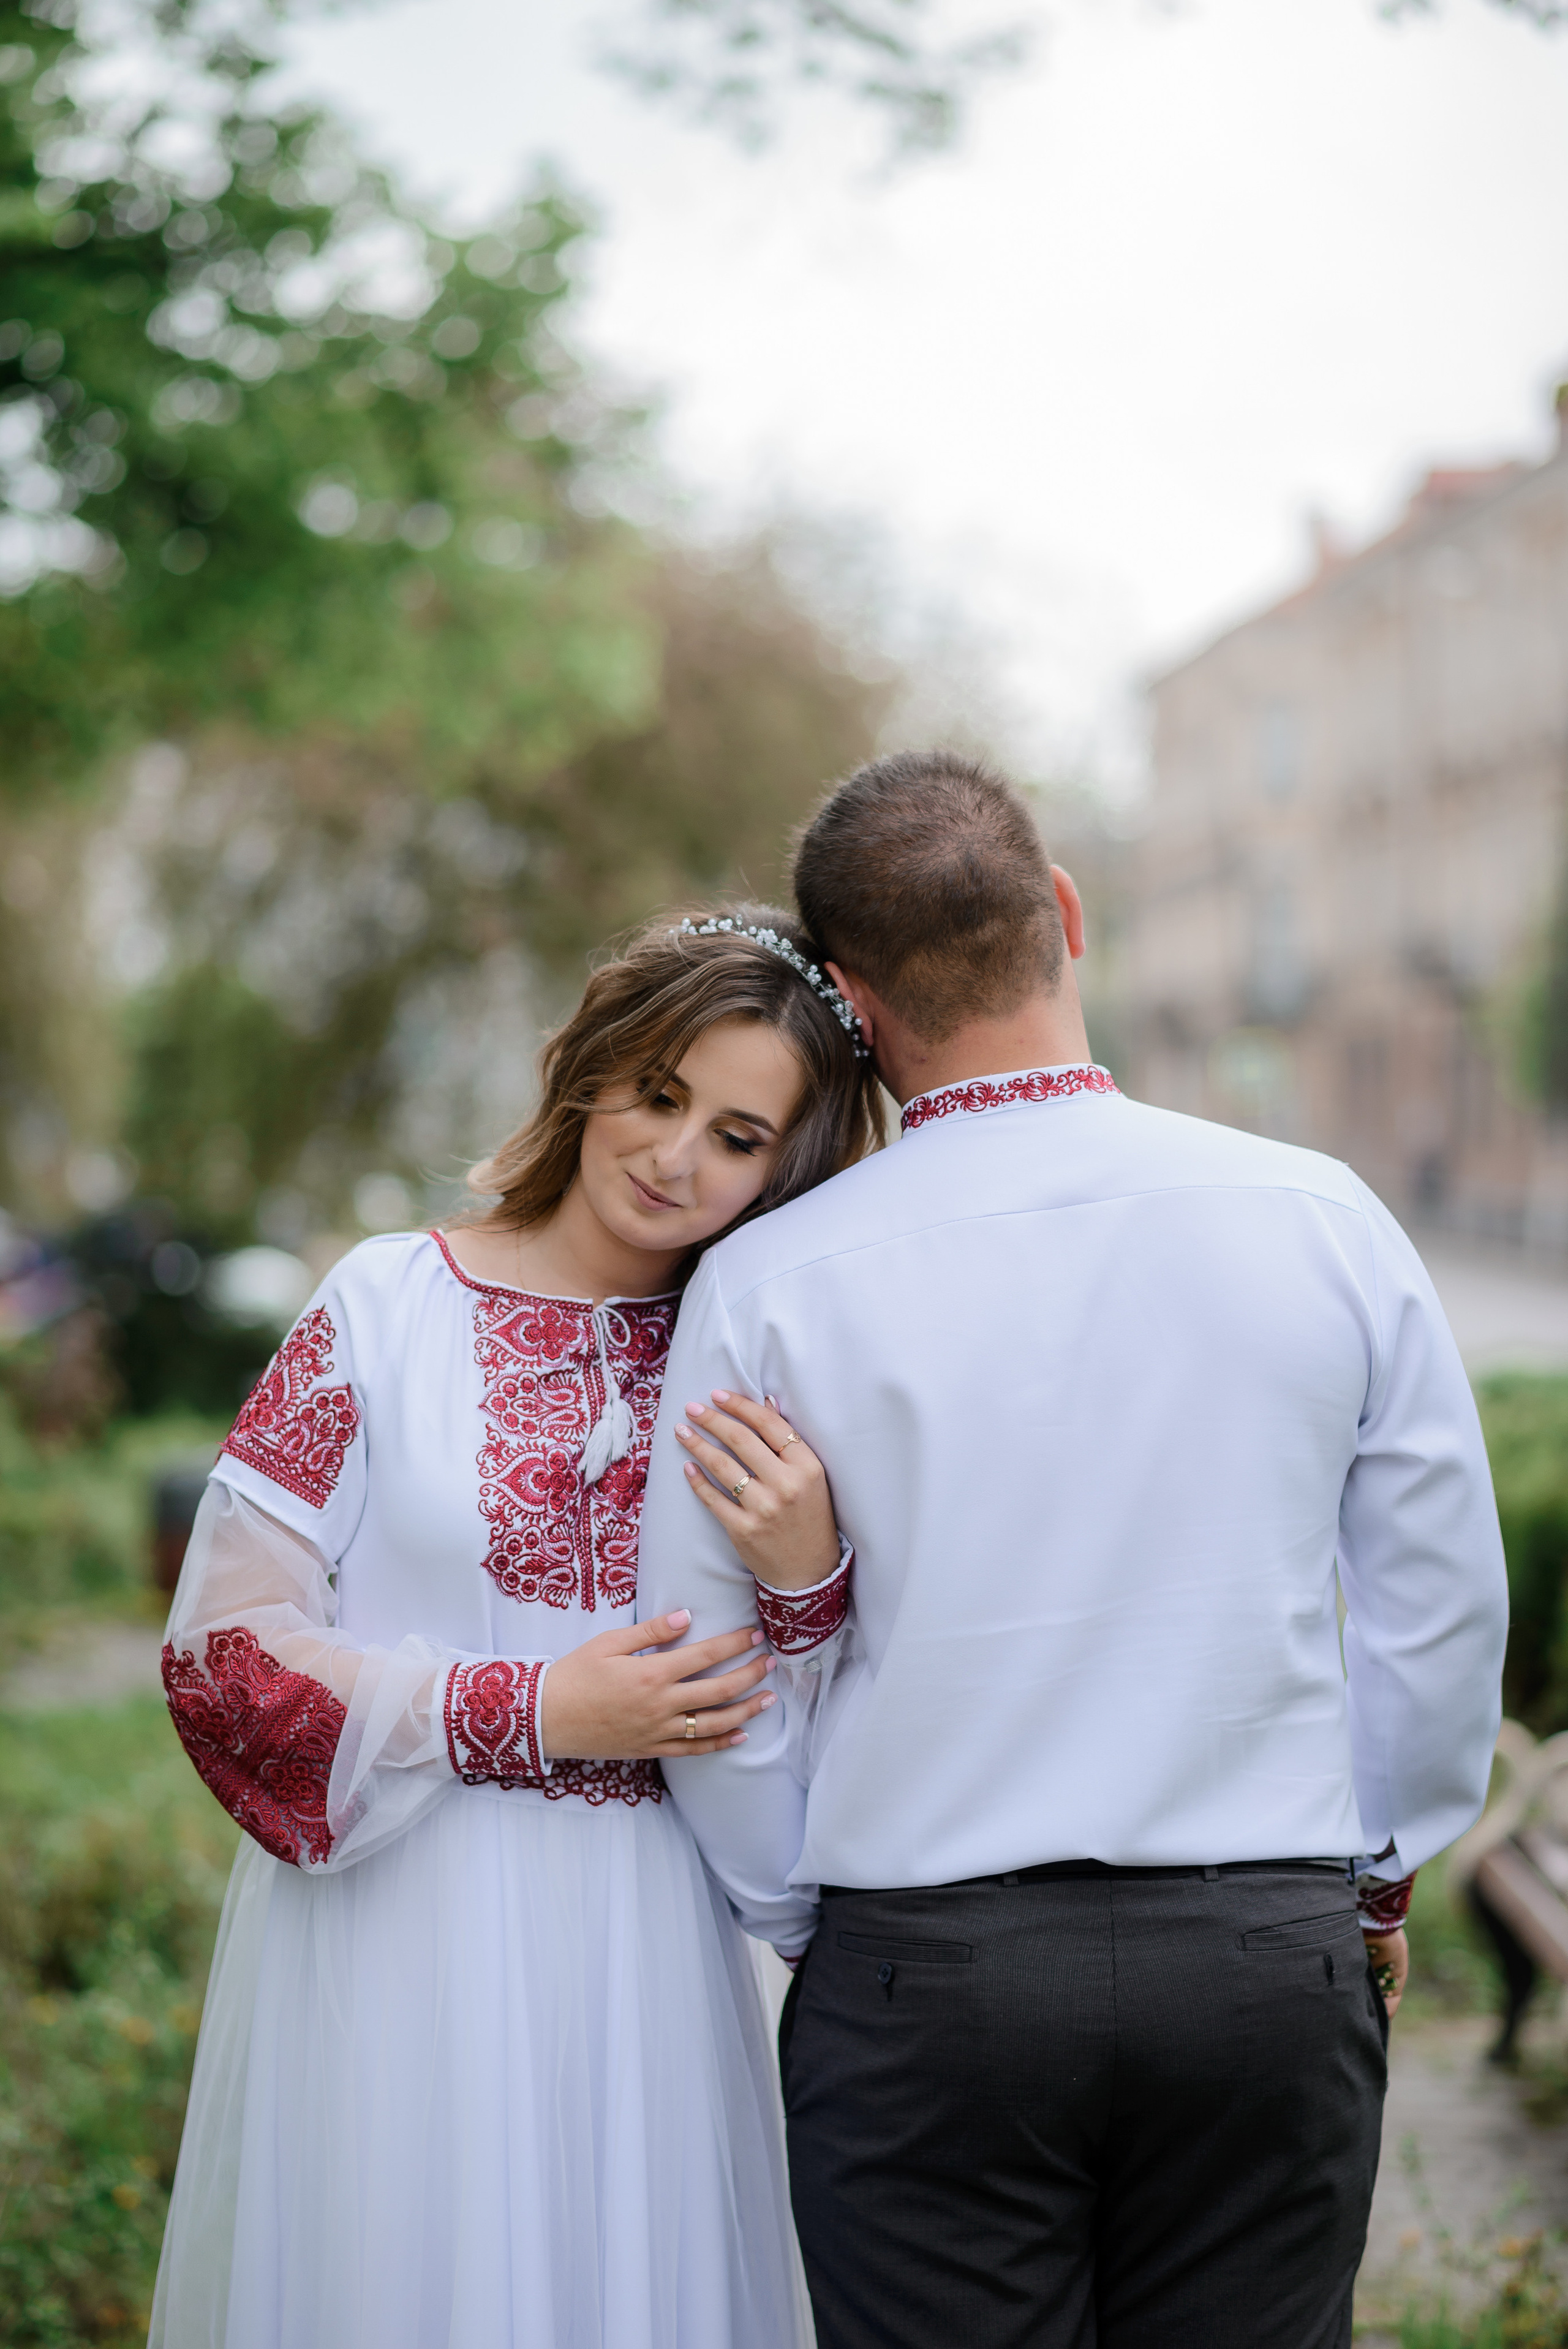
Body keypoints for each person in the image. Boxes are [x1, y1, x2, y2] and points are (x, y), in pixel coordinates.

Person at [636, 752, 1510, 2349]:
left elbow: (706, 1672)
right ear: (1066, 915)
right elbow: (1438, 1608)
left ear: (845, 999)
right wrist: (1378, 1873)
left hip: (924, 1971)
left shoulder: (767, 1285)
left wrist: (814, 1922)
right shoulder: (1324, 1219)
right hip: (1263, 1954)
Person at [148, 904, 882, 2349]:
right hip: (404, 1934)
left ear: (782, 1166)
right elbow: (222, 1661)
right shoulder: (383, 1304)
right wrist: (534, 1708)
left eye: (737, 1137)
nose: (674, 1159)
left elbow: (845, 1705)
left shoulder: (766, 1358)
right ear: (592, 1067)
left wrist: (808, 1569)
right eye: (659, 1095)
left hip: (659, 1950)